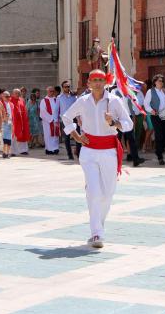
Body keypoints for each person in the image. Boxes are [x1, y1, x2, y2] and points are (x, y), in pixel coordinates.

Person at [62, 69, 133, 249]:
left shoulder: (114, 101)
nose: (98, 83)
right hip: (88, 152)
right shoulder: (83, 101)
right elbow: (66, 116)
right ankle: (96, 233)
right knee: (94, 191)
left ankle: (99, 226)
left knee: (107, 193)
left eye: (101, 79)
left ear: (106, 81)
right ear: (89, 83)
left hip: (109, 151)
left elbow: (128, 124)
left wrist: (113, 122)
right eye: (94, 80)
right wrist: (76, 136)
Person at [144, 74, 165, 166]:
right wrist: (151, 111)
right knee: (159, 135)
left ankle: (158, 150)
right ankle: (160, 157)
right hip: (156, 115)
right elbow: (146, 104)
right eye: (159, 81)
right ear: (155, 82)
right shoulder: (150, 91)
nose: (161, 82)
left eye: (162, 81)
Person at [57, 81, 78, 160]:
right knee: (67, 137)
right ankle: (70, 155)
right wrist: (56, 120)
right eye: (65, 86)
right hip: (64, 120)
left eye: (68, 86)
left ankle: (78, 153)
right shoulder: (59, 97)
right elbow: (56, 109)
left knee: (77, 136)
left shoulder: (74, 97)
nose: (67, 88)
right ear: (63, 88)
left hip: (74, 118)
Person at [40, 86, 60, 155]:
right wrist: (51, 118)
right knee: (48, 135)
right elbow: (43, 111)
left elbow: (59, 109)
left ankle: (55, 148)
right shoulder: (44, 100)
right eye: (50, 91)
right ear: (47, 92)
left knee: (55, 135)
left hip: (56, 121)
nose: (52, 93)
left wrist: (56, 118)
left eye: (53, 91)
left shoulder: (56, 99)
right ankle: (49, 149)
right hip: (48, 122)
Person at [10, 89, 30, 156]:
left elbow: (24, 109)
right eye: (16, 93)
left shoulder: (21, 100)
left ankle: (23, 150)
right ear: (13, 94)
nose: (18, 94)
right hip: (14, 121)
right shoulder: (10, 100)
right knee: (14, 136)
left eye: (19, 93)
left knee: (23, 135)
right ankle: (13, 151)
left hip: (22, 120)